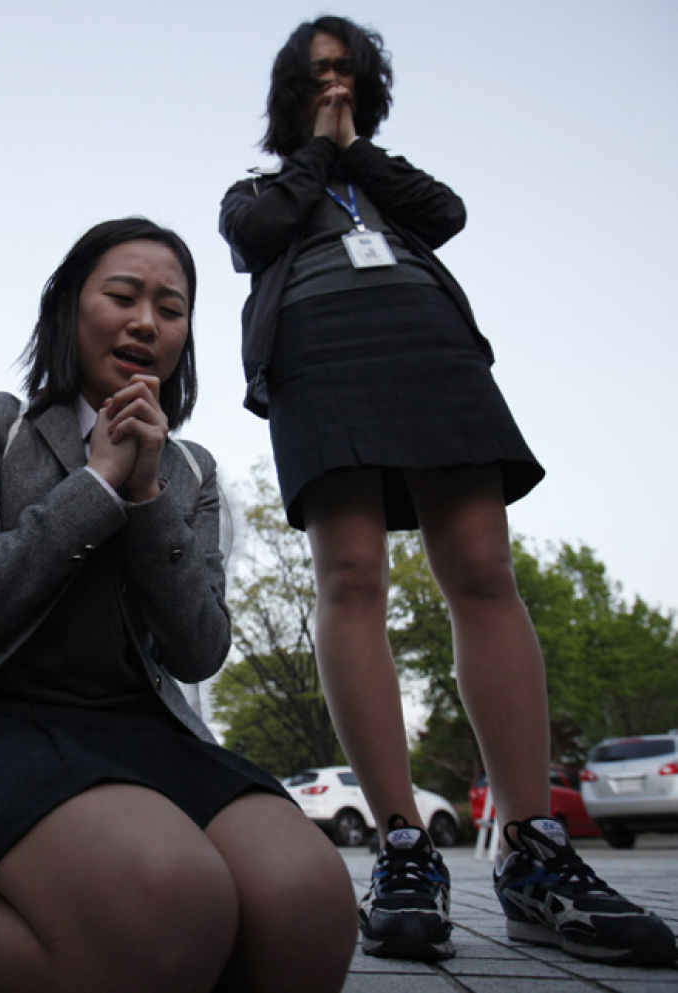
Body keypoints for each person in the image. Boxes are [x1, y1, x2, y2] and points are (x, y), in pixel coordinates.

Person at [219, 15, 677, 968]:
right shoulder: (260, 189)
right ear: (291, 92)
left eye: (348, 73)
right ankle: (402, 848)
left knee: (481, 568)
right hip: (319, 354)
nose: (335, 86)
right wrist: (318, 153)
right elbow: (257, 234)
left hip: (430, 345)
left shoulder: (386, 180)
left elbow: (446, 213)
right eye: (319, 75)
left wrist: (355, 151)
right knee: (351, 576)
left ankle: (534, 853)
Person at [0, 218, 358, 993]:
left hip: (140, 731)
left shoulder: (191, 471)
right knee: (169, 910)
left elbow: (200, 649)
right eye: (123, 295)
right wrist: (95, 486)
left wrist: (145, 495)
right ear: (69, 308)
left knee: (309, 913)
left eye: (171, 308)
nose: (146, 321)